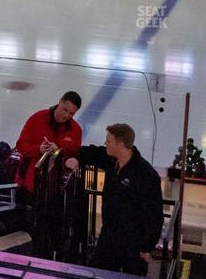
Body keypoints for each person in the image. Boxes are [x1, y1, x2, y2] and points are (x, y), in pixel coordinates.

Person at [87, 123, 163, 276]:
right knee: (99, 272)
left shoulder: (146, 174)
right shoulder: (111, 161)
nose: (105, 144)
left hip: (133, 241)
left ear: (120, 143)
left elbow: (154, 214)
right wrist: (74, 157)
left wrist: (147, 247)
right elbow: (90, 152)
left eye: (108, 141)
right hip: (109, 234)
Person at [13, 91, 82, 199]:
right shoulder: (37, 118)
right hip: (27, 184)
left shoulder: (76, 130)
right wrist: (38, 149)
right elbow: (21, 145)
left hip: (55, 189)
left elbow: (74, 155)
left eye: (72, 113)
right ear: (60, 102)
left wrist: (58, 151)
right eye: (65, 110)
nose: (67, 115)